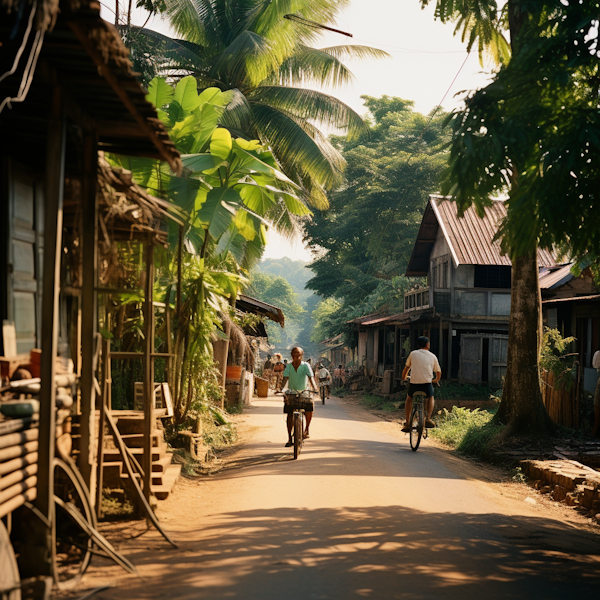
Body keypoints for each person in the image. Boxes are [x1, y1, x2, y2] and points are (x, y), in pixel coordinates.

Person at [401, 336, 441, 431]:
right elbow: (438, 372)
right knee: (430, 397)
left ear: (418, 345)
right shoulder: (432, 356)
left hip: (414, 383)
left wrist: (404, 378)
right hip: (427, 384)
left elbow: (406, 368)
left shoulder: (413, 354)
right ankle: (428, 419)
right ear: (428, 345)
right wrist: (436, 380)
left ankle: (407, 423)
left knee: (409, 399)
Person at [281, 347, 317, 447]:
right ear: (292, 356)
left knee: (310, 405)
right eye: (295, 356)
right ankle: (289, 438)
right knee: (289, 413)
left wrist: (314, 388)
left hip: (304, 391)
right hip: (291, 392)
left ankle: (306, 429)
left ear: (302, 355)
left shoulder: (306, 366)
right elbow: (285, 379)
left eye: (299, 355)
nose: (297, 358)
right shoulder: (288, 366)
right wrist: (280, 389)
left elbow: (311, 378)